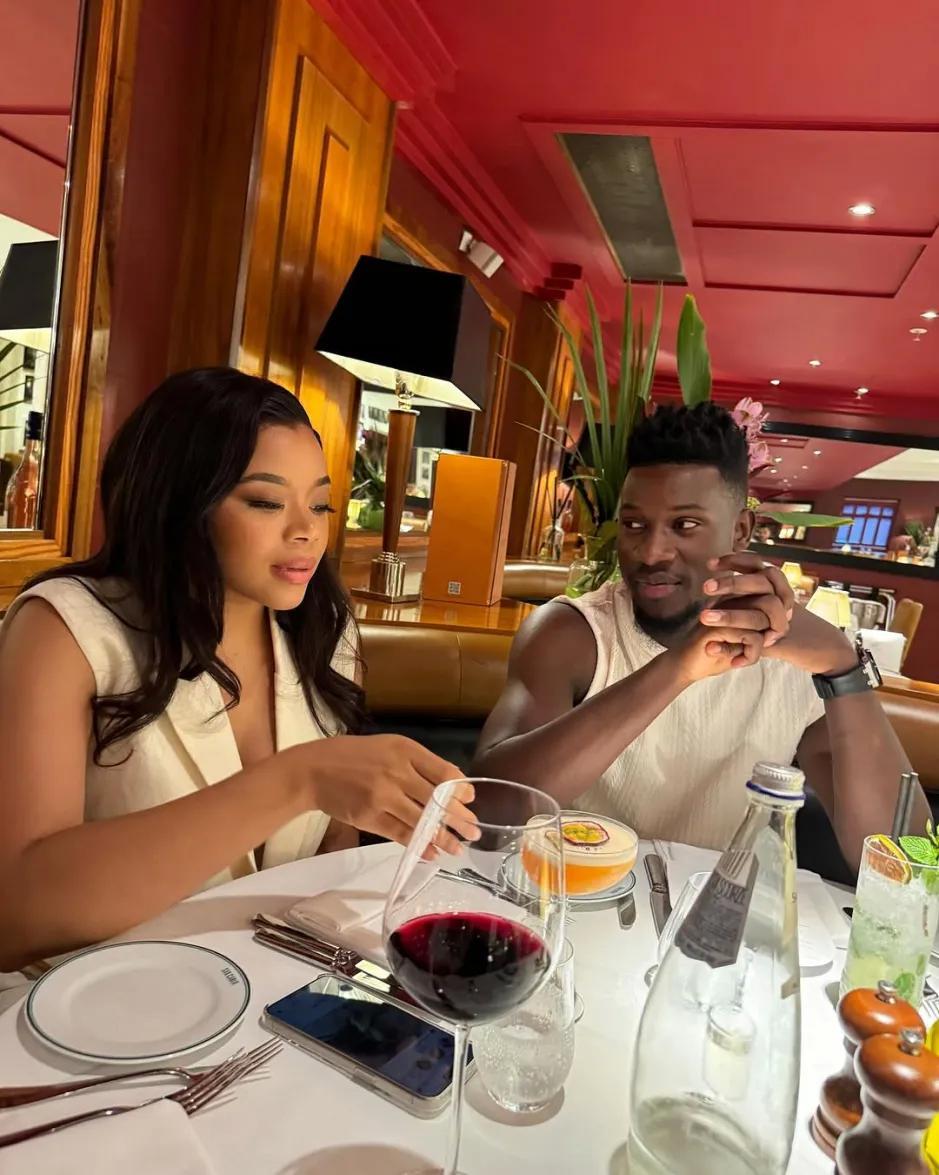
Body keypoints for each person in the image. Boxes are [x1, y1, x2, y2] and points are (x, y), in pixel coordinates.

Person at [0, 368, 474, 973]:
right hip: (78, 1006)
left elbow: (328, 863)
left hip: (263, 998)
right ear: (179, 501)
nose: (307, 531)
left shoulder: (324, 636)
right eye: (266, 502)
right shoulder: (65, 628)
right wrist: (297, 779)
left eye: (321, 504)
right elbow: (15, 916)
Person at [473, 402, 924, 870]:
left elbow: (905, 864)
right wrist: (678, 669)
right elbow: (491, 815)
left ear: (741, 530)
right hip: (576, 899)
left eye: (684, 525)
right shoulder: (573, 633)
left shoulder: (794, 665)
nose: (651, 552)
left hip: (718, 909)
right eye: (634, 525)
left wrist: (842, 665)